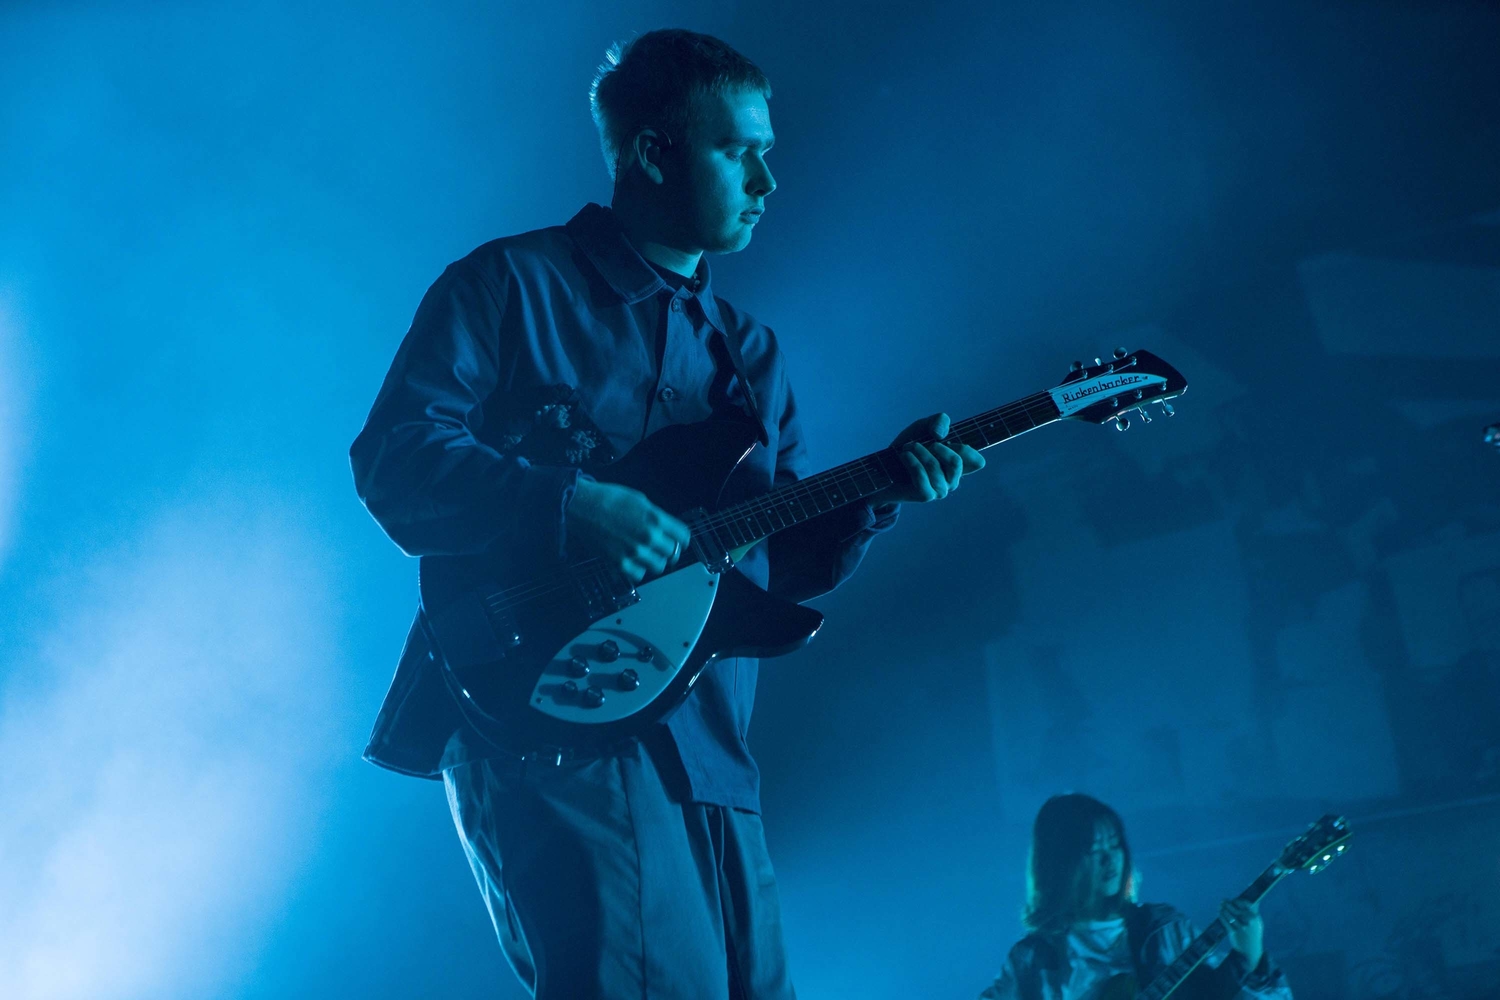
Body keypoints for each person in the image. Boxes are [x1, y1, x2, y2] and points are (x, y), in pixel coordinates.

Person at [349, 28, 984, 1000]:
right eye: (740, 149)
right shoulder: (510, 286)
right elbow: (395, 458)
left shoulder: (749, 354)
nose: (768, 178)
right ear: (653, 151)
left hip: (714, 748)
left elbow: (787, 570)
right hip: (552, 721)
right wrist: (569, 505)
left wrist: (879, 498)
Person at [980, 794, 1293, 1000]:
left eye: (1114, 845)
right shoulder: (1031, 960)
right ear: (1061, 863)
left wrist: (1250, 952)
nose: (1110, 860)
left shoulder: (1165, 931)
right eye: (1094, 851)